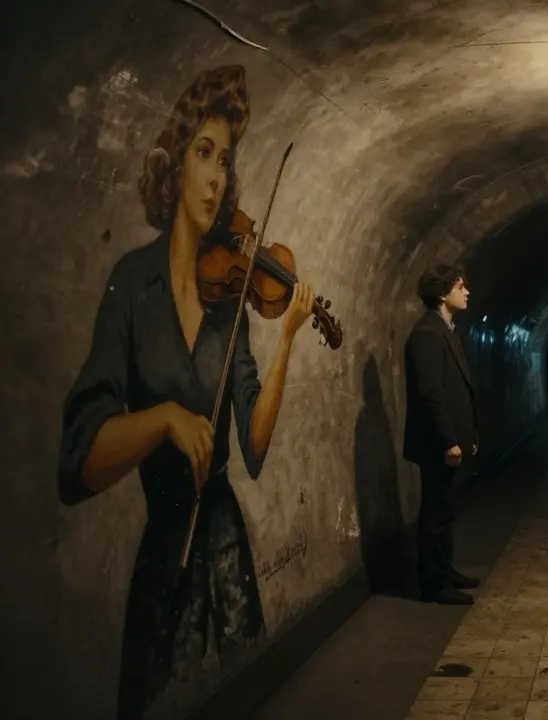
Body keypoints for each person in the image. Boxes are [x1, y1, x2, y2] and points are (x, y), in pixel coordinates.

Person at [56, 65, 316, 719]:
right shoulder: (132, 285)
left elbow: (253, 447)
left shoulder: (230, 304)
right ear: (174, 163)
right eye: (203, 152)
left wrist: (285, 338)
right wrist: (162, 418)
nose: (214, 177)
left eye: (224, 161)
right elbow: (78, 461)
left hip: (225, 547)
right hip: (166, 546)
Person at [403, 264, 481, 605]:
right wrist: (449, 440)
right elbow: (431, 392)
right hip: (436, 443)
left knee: (446, 509)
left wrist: (468, 434)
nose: (466, 292)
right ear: (440, 294)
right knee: (435, 512)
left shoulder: (444, 329)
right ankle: (434, 584)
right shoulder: (427, 334)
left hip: (451, 438)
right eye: (459, 287)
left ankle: (445, 570)